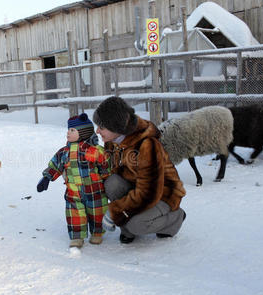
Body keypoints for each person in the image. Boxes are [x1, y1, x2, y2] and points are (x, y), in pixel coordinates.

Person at [92, 96, 186, 243]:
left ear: (116, 126)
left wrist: (115, 211)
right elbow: (111, 172)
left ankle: (174, 219)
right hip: (136, 188)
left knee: (137, 224)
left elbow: (149, 192)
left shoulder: (147, 144)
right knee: (112, 183)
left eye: (101, 127)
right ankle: (127, 229)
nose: (97, 131)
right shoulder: (112, 142)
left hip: (162, 194)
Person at [37, 113, 111, 248]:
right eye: (68, 130)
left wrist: (107, 180)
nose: (68, 133)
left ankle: (97, 233)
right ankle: (77, 237)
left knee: (97, 211)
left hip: (95, 190)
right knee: (75, 214)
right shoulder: (64, 152)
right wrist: (47, 177)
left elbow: (105, 165)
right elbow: (55, 164)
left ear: (83, 132)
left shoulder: (95, 151)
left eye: (72, 130)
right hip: (73, 191)